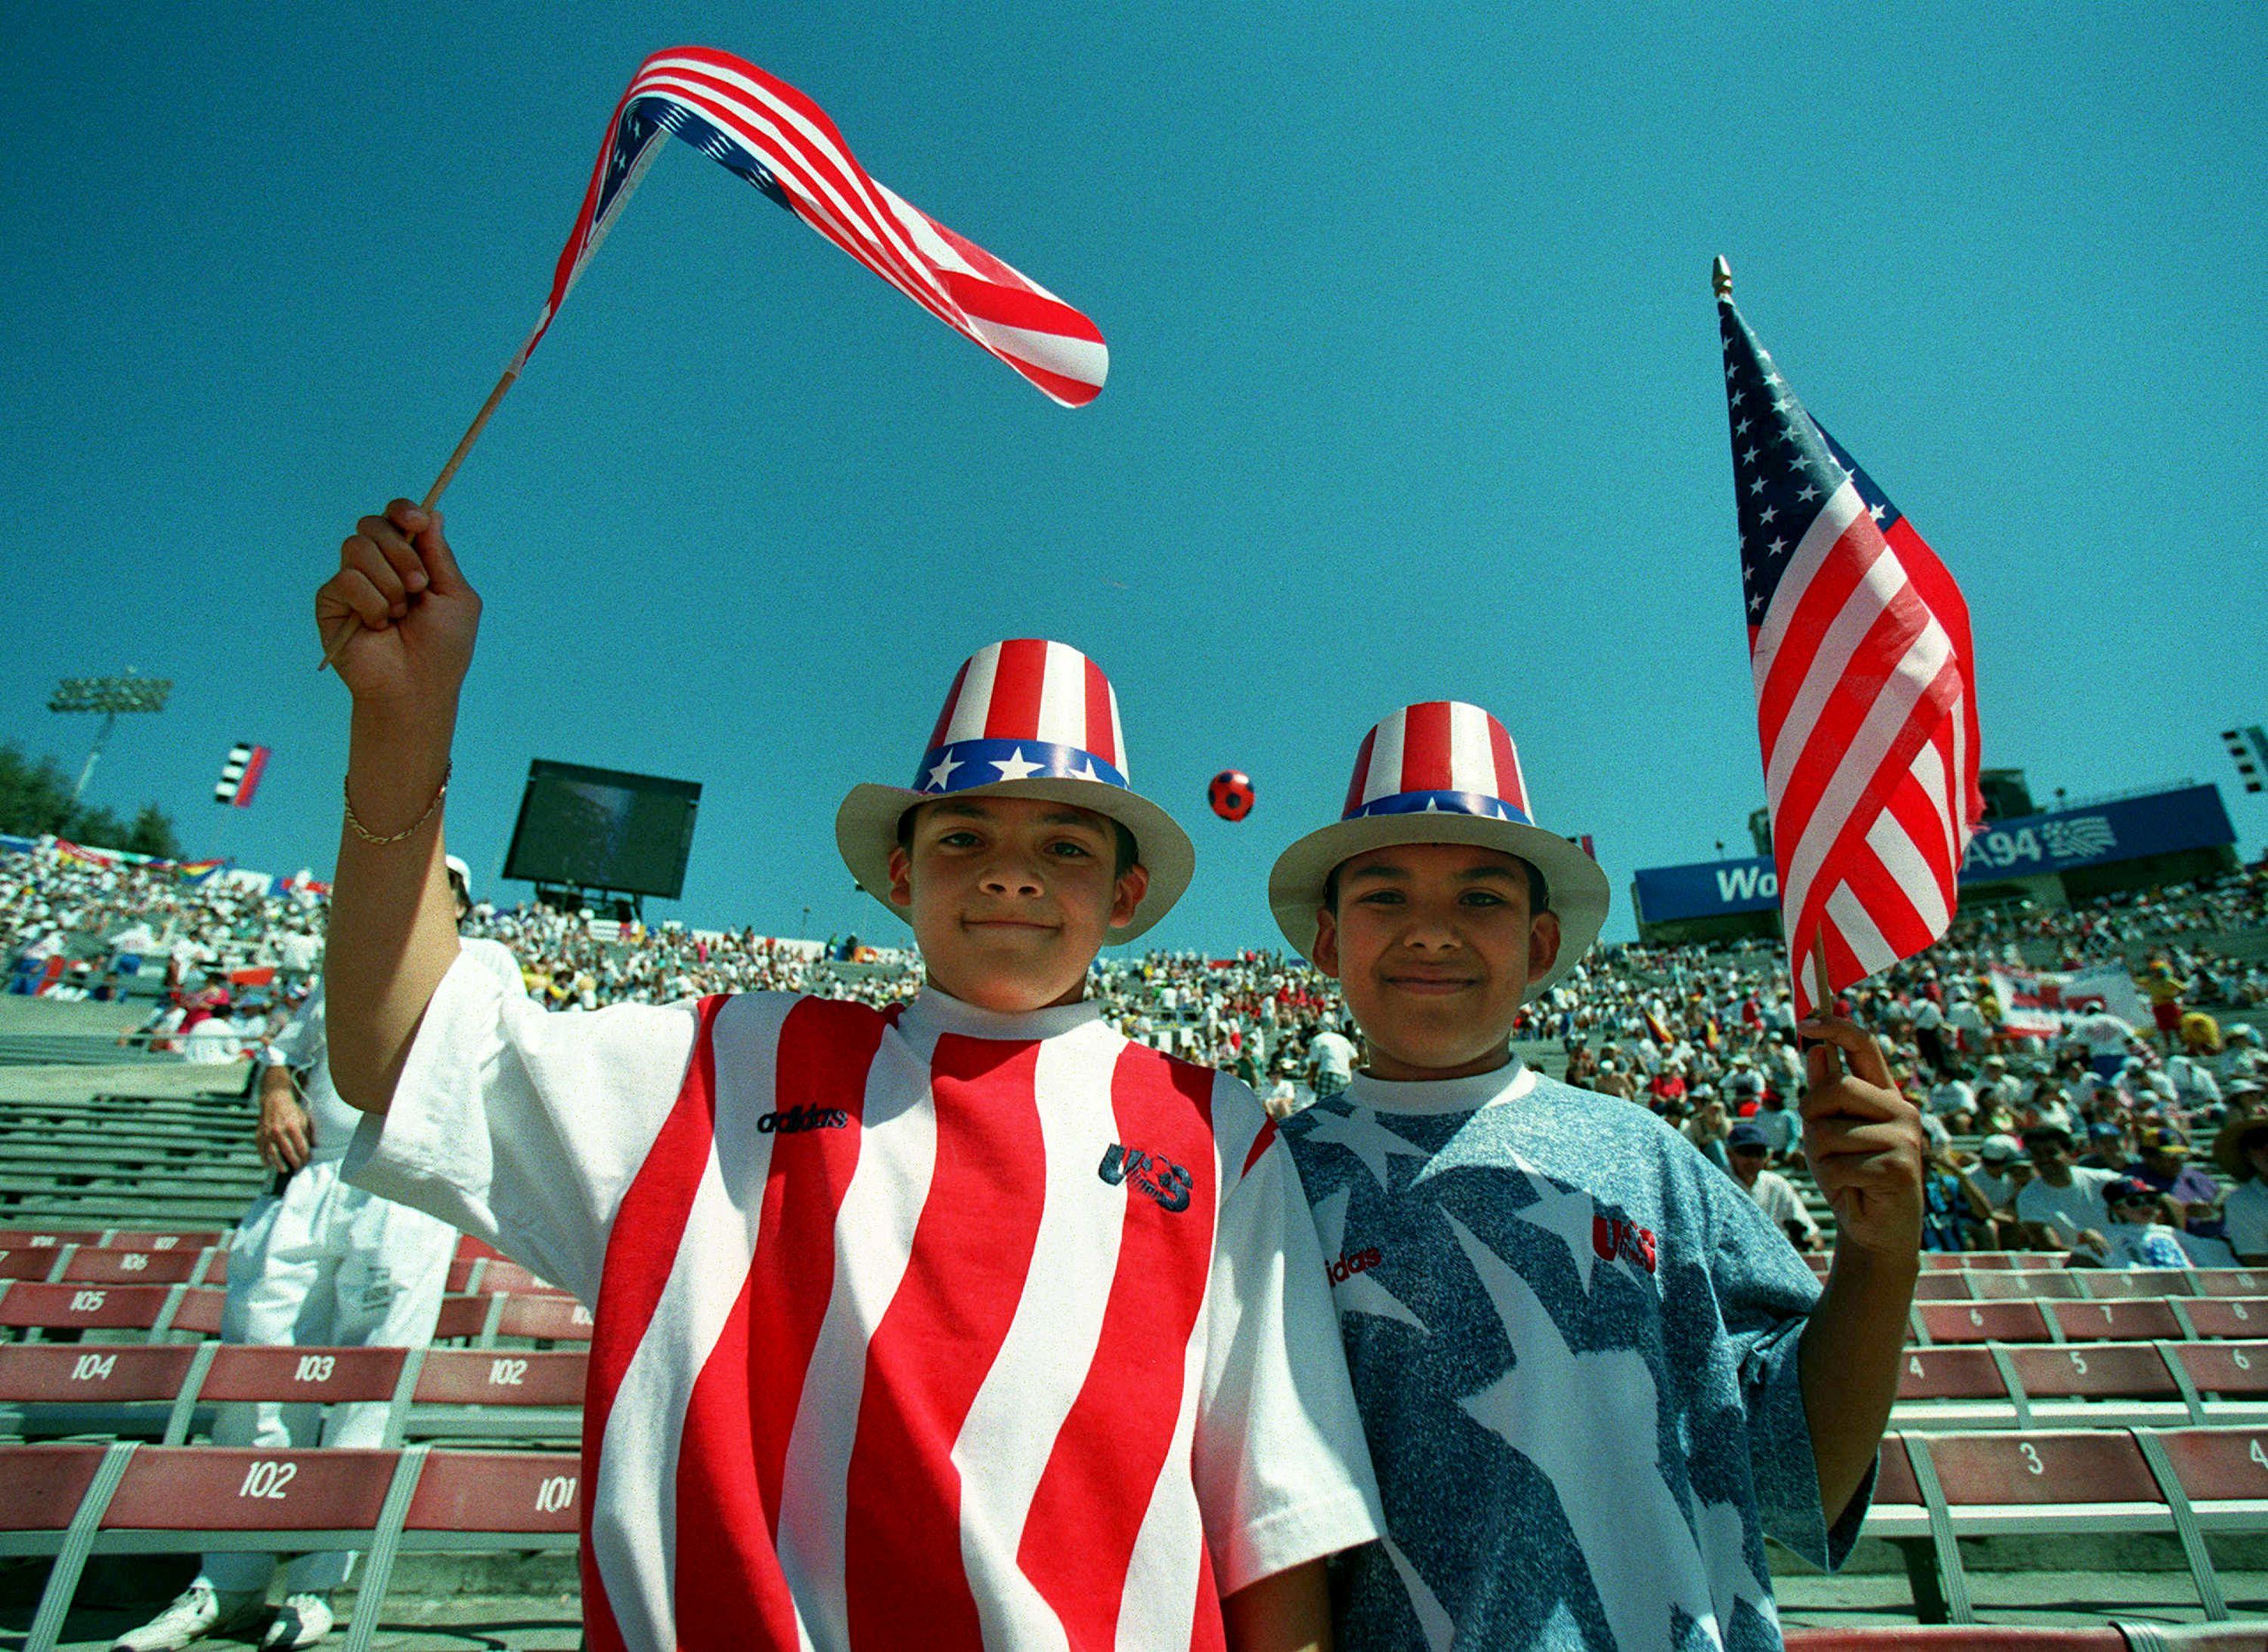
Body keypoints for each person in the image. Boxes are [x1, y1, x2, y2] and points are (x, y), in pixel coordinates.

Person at [314, 505, 1380, 1652]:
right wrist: (403, 717)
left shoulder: (1213, 1127)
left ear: (1123, 896)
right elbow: (399, 1050)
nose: (1013, 875)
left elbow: (1277, 1526)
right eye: (964, 837)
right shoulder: (722, 1065)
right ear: (897, 872)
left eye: (1065, 845)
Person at [1269, 701, 1916, 1650]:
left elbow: (1798, 1467)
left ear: (1540, 945)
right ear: (1327, 942)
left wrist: (1879, 1255)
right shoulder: (1266, 1175)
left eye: (1482, 898)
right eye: (1386, 896)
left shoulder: (1649, 1156)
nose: (1433, 933)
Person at [114, 857, 516, 1652]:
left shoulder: (489, 965)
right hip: (311, 1177)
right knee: (256, 1366)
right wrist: (272, 1085)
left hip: (404, 1177)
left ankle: (315, 1585)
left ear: (462, 903)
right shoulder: (350, 962)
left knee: (372, 1379)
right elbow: (283, 1046)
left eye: (437, 885)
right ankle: (227, 1580)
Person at [2015, 1124, 2119, 1253]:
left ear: (2070, 1154)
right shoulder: (2028, 1197)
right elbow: (2049, 1247)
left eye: (2051, 1153)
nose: (2044, 1159)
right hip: (2075, 1265)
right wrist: (2088, 1250)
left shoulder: (2103, 1180)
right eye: (2037, 1154)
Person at [1726, 1120, 1824, 1251]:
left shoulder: (1777, 1184)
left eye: (1759, 1153)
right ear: (1730, 1154)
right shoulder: (1717, 1183)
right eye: (1746, 1152)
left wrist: (1808, 1241)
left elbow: (1812, 1234)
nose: (1753, 1160)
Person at [2214, 1114, 2268, 1266]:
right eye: (2258, 1144)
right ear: (2247, 1155)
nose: (2267, 1150)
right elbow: (2254, 1259)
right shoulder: (2241, 1201)